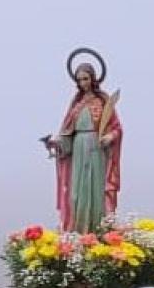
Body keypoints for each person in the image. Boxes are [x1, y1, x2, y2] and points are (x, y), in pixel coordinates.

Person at [45, 61, 122, 232]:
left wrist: (109, 136)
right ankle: (77, 232)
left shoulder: (103, 101)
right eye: (79, 80)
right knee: (77, 194)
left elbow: (117, 127)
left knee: (96, 191)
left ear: (93, 79)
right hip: (78, 149)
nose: (83, 83)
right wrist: (57, 143)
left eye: (86, 79)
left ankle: (97, 232)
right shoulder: (76, 103)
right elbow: (67, 132)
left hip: (97, 149)